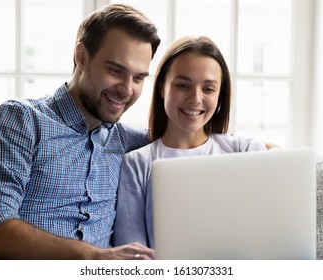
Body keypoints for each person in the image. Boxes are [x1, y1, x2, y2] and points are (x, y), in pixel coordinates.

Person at [0, 4, 161, 260]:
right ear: (81, 56)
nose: (126, 89)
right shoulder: (19, 120)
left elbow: (191, 141)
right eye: (115, 70)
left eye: (138, 78)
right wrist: (94, 256)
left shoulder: (128, 141)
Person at [113, 36, 267, 249]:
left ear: (220, 95)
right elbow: (132, 253)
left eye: (208, 89)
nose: (195, 98)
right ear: (161, 88)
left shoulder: (244, 151)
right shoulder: (137, 164)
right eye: (183, 85)